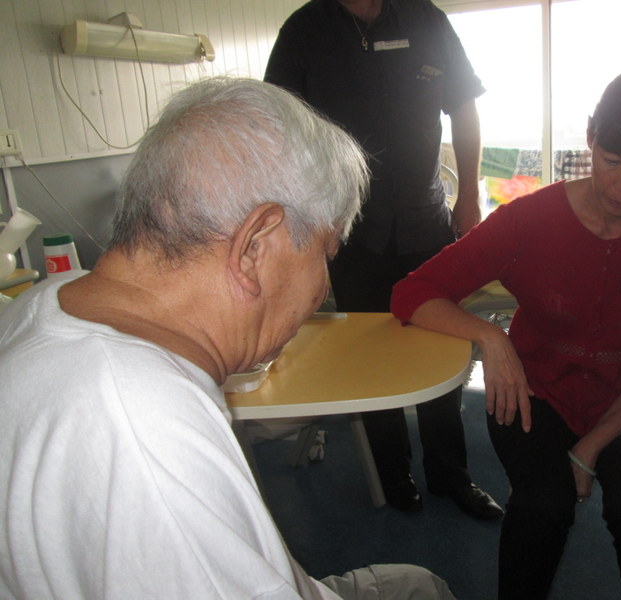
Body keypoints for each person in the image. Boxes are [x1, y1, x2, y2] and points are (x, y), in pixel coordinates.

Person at [0, 77, 458, 600]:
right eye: (326, 255)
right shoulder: (146, 426)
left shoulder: (44, 300)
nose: (323, 287)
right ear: (254, 248)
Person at [391, 65, 621, 599]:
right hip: (534, 391)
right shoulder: (530, 219)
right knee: (543, 504)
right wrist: (491, 338)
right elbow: (411, 294)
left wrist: (588, 448)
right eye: (612, 160)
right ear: (590, 137)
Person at [264, 0, 502, 520]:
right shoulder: (305, 31)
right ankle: (394, 476)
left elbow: (464, 107)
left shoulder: (427, 20)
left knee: (442, 348)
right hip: (350, 230)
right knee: (369, 356)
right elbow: (280, 131)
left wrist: (469, 197)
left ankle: (451, 477)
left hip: (425, 221)